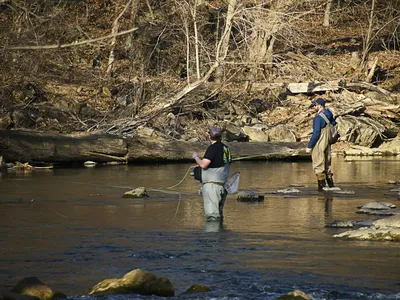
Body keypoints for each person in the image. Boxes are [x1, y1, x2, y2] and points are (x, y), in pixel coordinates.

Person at [192, 127, 232, 221]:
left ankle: (212, 235)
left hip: (212, 187)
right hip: (223, 187)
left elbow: (203, 164)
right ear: (220, 137)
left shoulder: (212, 148)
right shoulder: (226, 148)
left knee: (212, 217)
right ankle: (221, 235)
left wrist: (196, 157)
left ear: (209, 136)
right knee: (219, 216)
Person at [306, 98, 337, 191]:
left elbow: (316, 134)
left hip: (319, 142)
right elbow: (334, 124)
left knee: (318, 165)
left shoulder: (318, 118)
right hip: (328, 143)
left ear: (319, 105)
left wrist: (309, 146)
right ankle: (332, 187)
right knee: (327, 165)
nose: (314, 107)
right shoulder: (329, 114)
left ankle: (322, 189)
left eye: (314, 105)